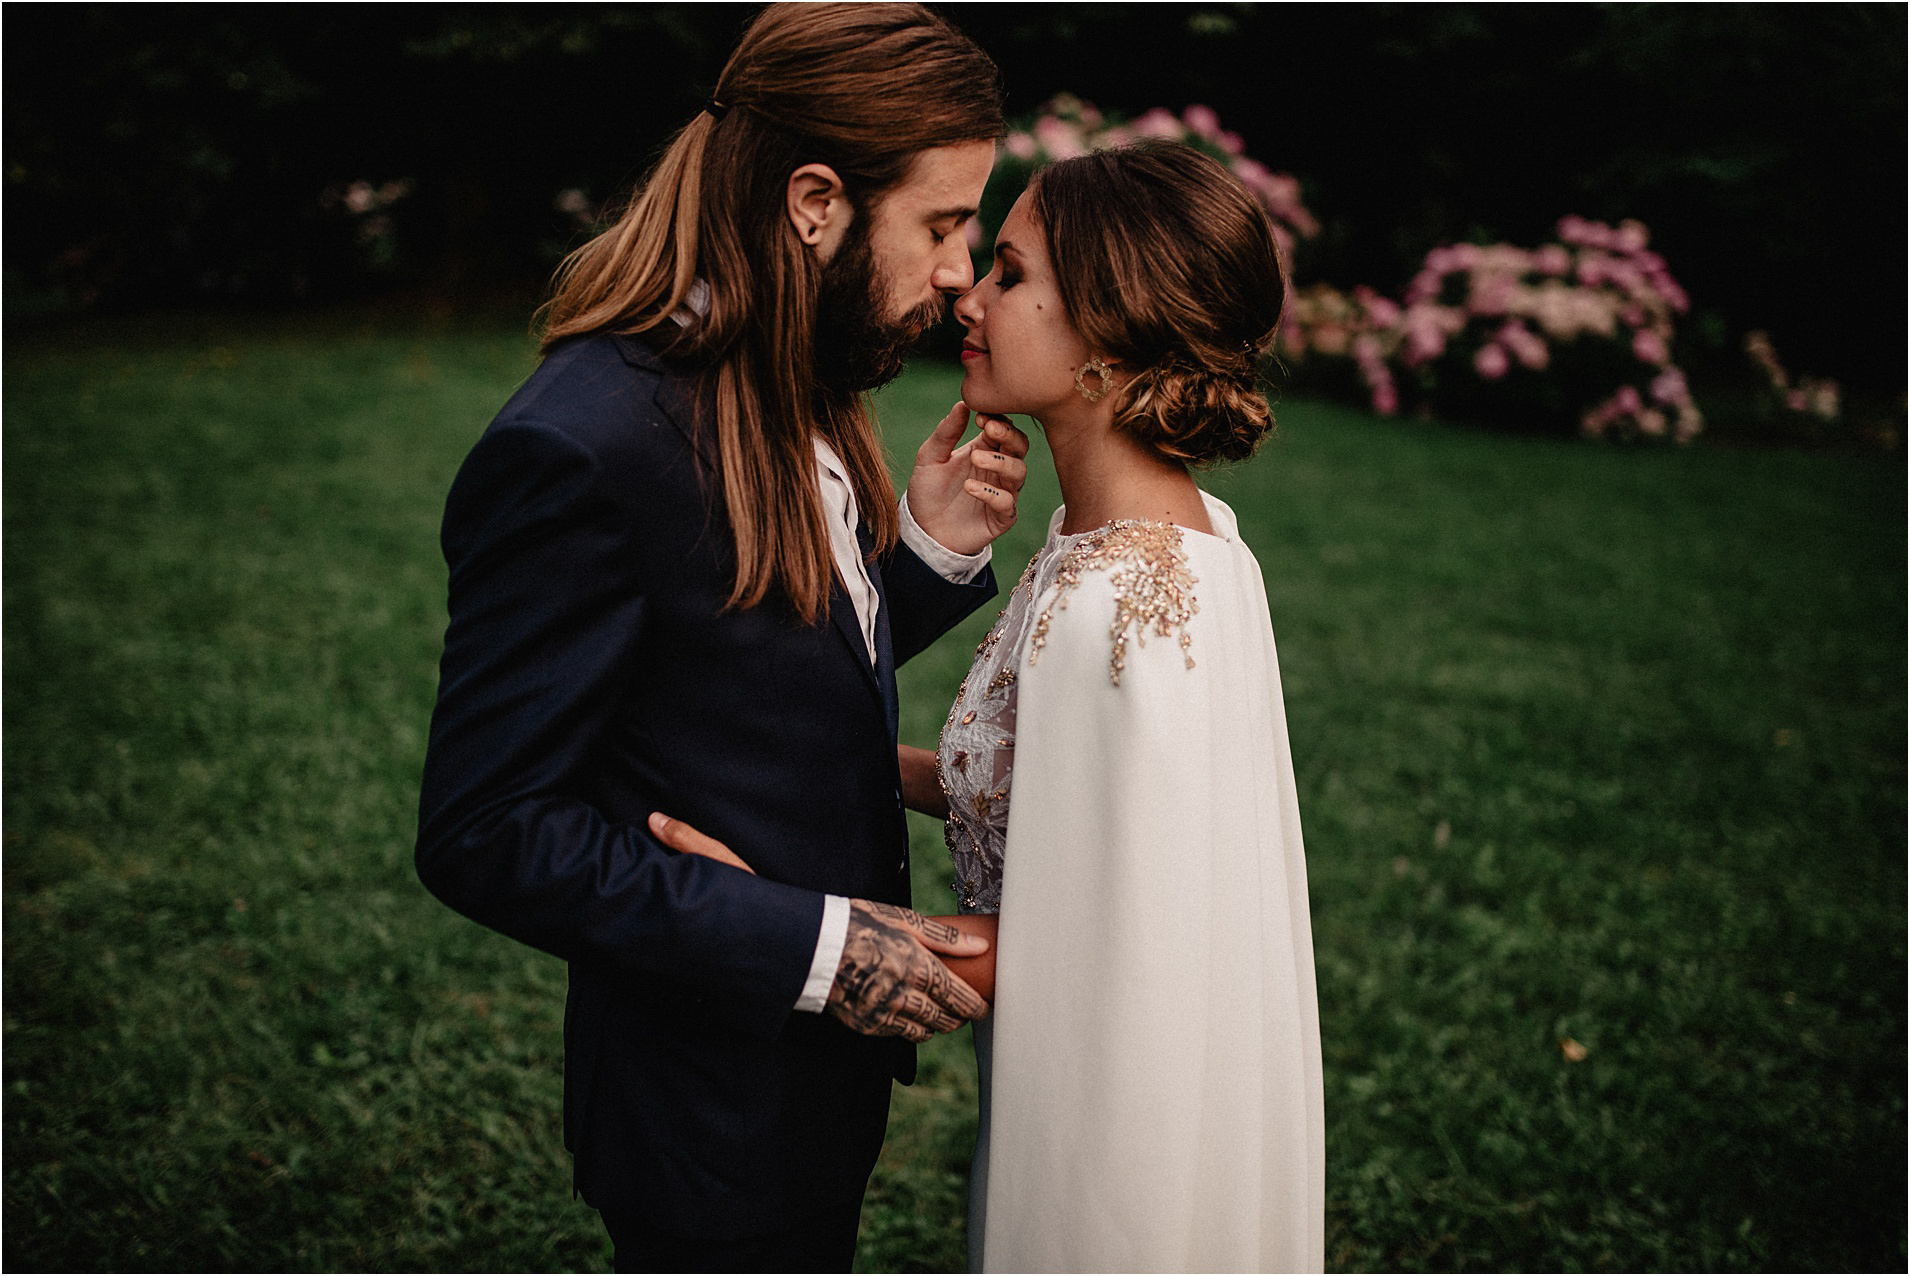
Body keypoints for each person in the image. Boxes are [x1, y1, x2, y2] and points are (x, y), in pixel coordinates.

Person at [413, 6, 1034, 1271]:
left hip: (803, 1098)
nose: (961, 269)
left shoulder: (783, 374)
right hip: (705, 1113)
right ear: (814, 202)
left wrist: (915, 557)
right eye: (939, 223)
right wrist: (815, 947)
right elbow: (486, 829)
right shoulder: (583, 444)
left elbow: (749, 680)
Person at [655, 140, 1326, 1272]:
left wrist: (755, 919)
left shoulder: (1130, 598)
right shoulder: (1132, 535)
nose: (967, 285)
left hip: (1120, 1122)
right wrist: (813, 772)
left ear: (1106, 334)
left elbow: (1099, 945)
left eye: (1011, 274)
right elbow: (1037, 793)